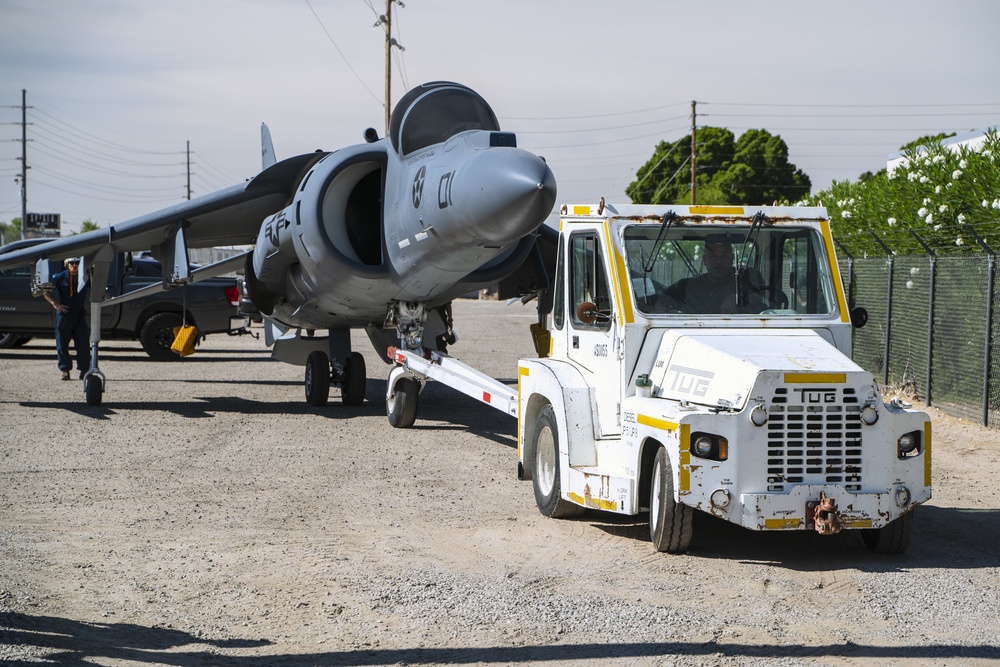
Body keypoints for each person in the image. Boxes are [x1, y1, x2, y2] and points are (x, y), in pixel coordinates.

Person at [657, 239, 766, 314]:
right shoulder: (686, 287)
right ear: (705, 260)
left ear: (732, 258)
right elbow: (650, 303)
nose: (718, 261)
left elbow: (762, 298)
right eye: (713, 256)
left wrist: (738, 298)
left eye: (723, 256)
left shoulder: (746, 277)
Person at [42, 257, 91, 380]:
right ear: (66, 264)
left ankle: (84, 370)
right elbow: (45, 291)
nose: (74, 265)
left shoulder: (85, 277)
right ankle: (65, 370)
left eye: (77, 263)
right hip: (65, 314)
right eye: (71, 263)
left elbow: (98, 288)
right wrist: (55, 304)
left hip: (79, 314)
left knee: (83, 343)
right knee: (62, 344)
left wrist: (106, 296)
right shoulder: (60, 277)